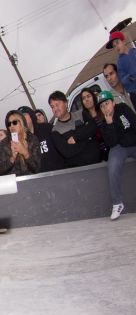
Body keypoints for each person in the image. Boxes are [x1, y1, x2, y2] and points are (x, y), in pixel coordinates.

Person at [98, 90, 136, 220]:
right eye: (102, 106)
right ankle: (117, 203)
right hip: (119, 148)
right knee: (113, 165)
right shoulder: (104, 123)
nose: (105, 108)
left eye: (107, 104)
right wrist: (109, 125)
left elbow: (134, 123)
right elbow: (111, 143)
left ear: (113, 103)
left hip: (134, 142)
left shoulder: (123, 108)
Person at [48, 90, 101, 168]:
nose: (55, 109)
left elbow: (93, 127)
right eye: (52, 107)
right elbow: (68, 152)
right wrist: (87, 137)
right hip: (80, 170)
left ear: (66, 104)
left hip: (99, 162)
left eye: (57, 104)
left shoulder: (81, 114)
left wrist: (75, 138)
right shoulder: (55, 131)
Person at [17, 105, 64, 172]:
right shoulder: (22, 141)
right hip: (40, 179)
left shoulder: (48, 128)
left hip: (59, 172)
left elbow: (63, 149)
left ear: (31, 116)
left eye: (24, 115)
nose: (22, 119)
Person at [0, 110, 41, 176]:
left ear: (22, 122)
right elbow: (1, 170)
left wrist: (25, 153)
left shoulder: (32, 139)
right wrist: (13, 157)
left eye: (14, 122)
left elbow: (36, 168)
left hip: (31, 181)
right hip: (14, 183)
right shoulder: (4, 144)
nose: (11, 126)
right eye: (9, 124)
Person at [79, 88, 109, 161]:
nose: (86, 99)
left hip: (112, 147)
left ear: (93, 97)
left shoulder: (103, 110)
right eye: (83, 98)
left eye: (88, 96)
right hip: (99, 155)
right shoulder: (83, 119)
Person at [106, 31, 136, 99]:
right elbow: (122, 79)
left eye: (117, 43)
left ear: (124, 41)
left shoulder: (134, 51)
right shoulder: (120, 63)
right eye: (114, 46)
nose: (116, 47)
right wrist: (130, 77)